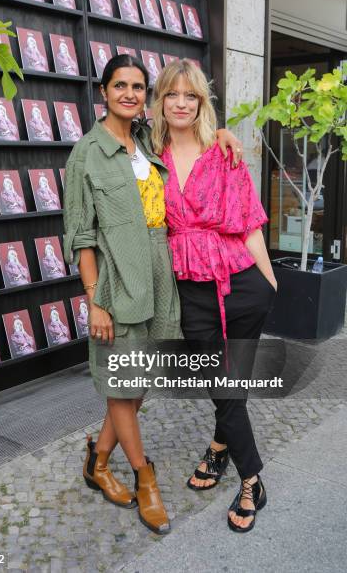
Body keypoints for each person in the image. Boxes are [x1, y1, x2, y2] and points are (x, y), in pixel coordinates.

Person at [63, 54, 241, 535]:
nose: (129, 94)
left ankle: (97, 461)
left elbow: (193, 137)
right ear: (103, 92)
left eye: (138, 87)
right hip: (118, 281)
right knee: (124, 382)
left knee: (137, 384)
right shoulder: (87, 152)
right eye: (119, 85)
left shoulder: (146, 139)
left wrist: (223, 133)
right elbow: (80, 234)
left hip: (160, 275)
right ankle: (145, 477)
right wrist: (94, 297)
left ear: (147, 96)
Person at [151, 59, 277, 533]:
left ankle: (220, 449)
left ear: (201, 102)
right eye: (173, 95)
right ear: (161, 99)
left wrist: (270, 282)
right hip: (192, 289)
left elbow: (248, 221)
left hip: (243, 282)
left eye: (191, 96)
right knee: (221, 384)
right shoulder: (148, 154)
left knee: (234, 385)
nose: (181, 103)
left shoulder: (222, 151)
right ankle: (253, 479)